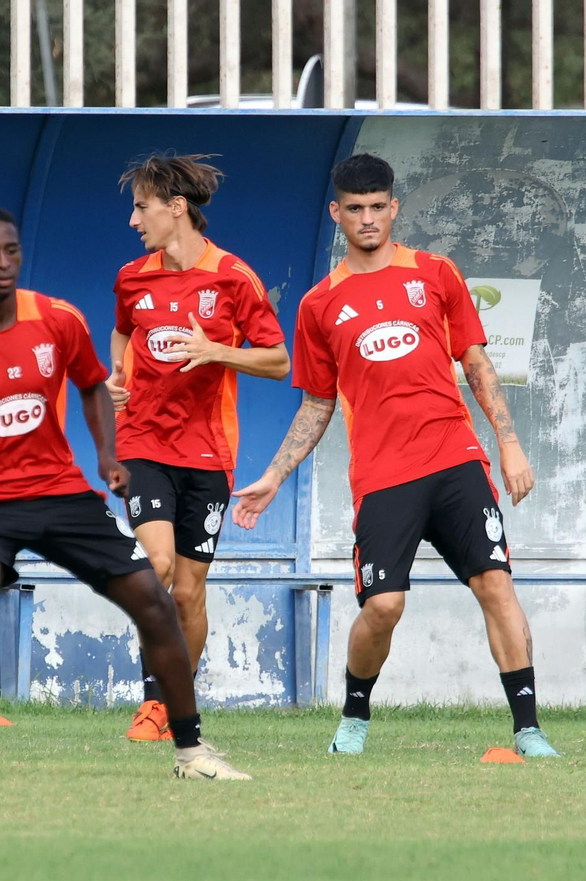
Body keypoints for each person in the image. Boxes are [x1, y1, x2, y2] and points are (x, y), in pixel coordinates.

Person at [0, 204, 249, 780]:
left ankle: (191, 751)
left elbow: (93, 385)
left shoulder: (57, 319)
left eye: (11, 251)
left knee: (155, 601)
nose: (3, 264)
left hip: (60, 492)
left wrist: (106, 454)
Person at [231, 154, 558, 758]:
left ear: (394, 207)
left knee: (496, 585)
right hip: (383, 476)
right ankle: (355, 716)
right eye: (355, 209)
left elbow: (477, 364)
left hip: (456, 460)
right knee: (383, 606)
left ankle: (529, 730)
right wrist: (274, 475)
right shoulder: (319, 304)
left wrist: (508, 442)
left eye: (378, 206)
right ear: (337, 213)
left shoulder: (435, 273)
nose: (368, 219)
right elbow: (316, 404)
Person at [106, 154, 289, 742]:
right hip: (143, 442)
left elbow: (278, 360)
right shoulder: (133, 277)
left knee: (188, 591)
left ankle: (178, 699)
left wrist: (218, 352)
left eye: (142, 206)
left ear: (176, 207)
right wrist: (116, 377)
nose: (134, 220)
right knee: (156, 566)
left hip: (208, 452)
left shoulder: (234, 277)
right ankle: (153, 702)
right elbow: (123, 330)